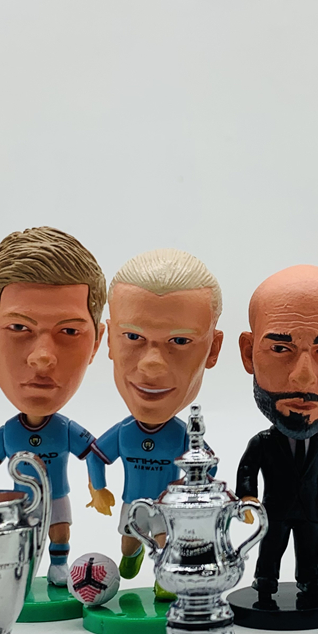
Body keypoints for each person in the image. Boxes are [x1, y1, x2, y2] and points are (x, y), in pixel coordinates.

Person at [0, 227, 112, 587]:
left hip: (58, 497)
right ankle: (22, 573)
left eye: (70, 332)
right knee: (23, 536)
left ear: (97, 342)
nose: (43, 358)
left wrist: (97, 488)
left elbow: (93, 453)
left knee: (59, 531)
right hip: (19, 502)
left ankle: (58, 566)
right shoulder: (10, 432)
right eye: (19, 327)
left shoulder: (65, 430)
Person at [86, 249, 223, 600]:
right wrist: (97, 489)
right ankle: (131, 557)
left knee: (165, 541)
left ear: (213, 349)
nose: (151, 365)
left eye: (180, 341)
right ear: (109, 339)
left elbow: (206, 466)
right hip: (131, 503)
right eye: (133, 337)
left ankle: (165, 576)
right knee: (128, 540)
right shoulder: (124, 432)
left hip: (166, 506)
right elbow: (97, 455)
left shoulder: (182, 435)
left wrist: (205, 496)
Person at [236, 265, 318, 603]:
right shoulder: (262, 444)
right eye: (280, 349)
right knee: (271, 548)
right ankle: (265, 581)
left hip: (310, 511)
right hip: (274, 512)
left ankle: (311, 580)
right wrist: (247, 496)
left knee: (310, 550)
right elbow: (247, 470)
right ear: (248, 353)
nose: (303, 378)